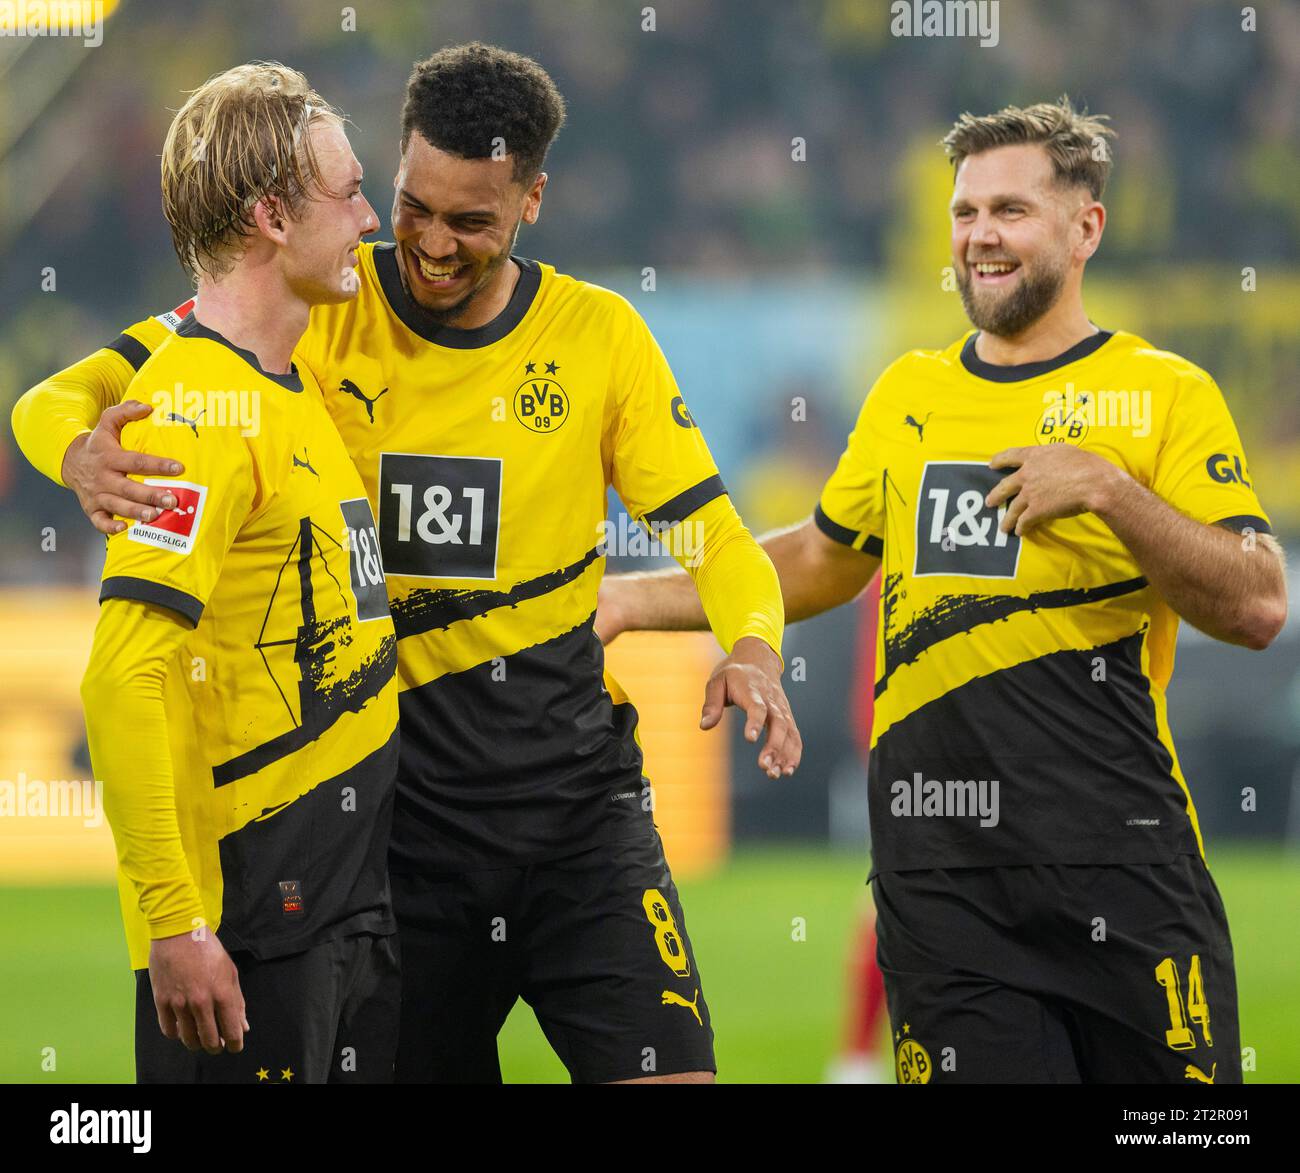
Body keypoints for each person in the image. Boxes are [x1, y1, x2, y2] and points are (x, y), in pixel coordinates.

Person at [11, 43, 800, 1085]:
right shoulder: (319, 308)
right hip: (397, 843)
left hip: (576, 818)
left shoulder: (598, 337)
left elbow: (717, 539)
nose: (426, 242)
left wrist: (750, 645)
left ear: (531, 201)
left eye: (469, 221)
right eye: (406, 203)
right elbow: (55, 398)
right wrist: (79, 453)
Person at [597, 98, 1287, 1083]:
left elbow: (1257, 604)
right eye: (964, 213)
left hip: (1124, 869)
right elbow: (822, 557)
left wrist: (1106, 488)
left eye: (1008, 210)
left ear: (1085, 228)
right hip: (943, 882)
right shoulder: (907, 394)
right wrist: (631, 600)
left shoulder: (1165, 394)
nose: (978, 237)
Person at [55, 63, 400, 1083]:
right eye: (347, 191)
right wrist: (175, 925)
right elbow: (121, 677)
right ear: (271, 218)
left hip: (338, 907)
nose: (372, 214)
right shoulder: (198, 411)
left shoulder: (287, 386)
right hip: (256, 918)